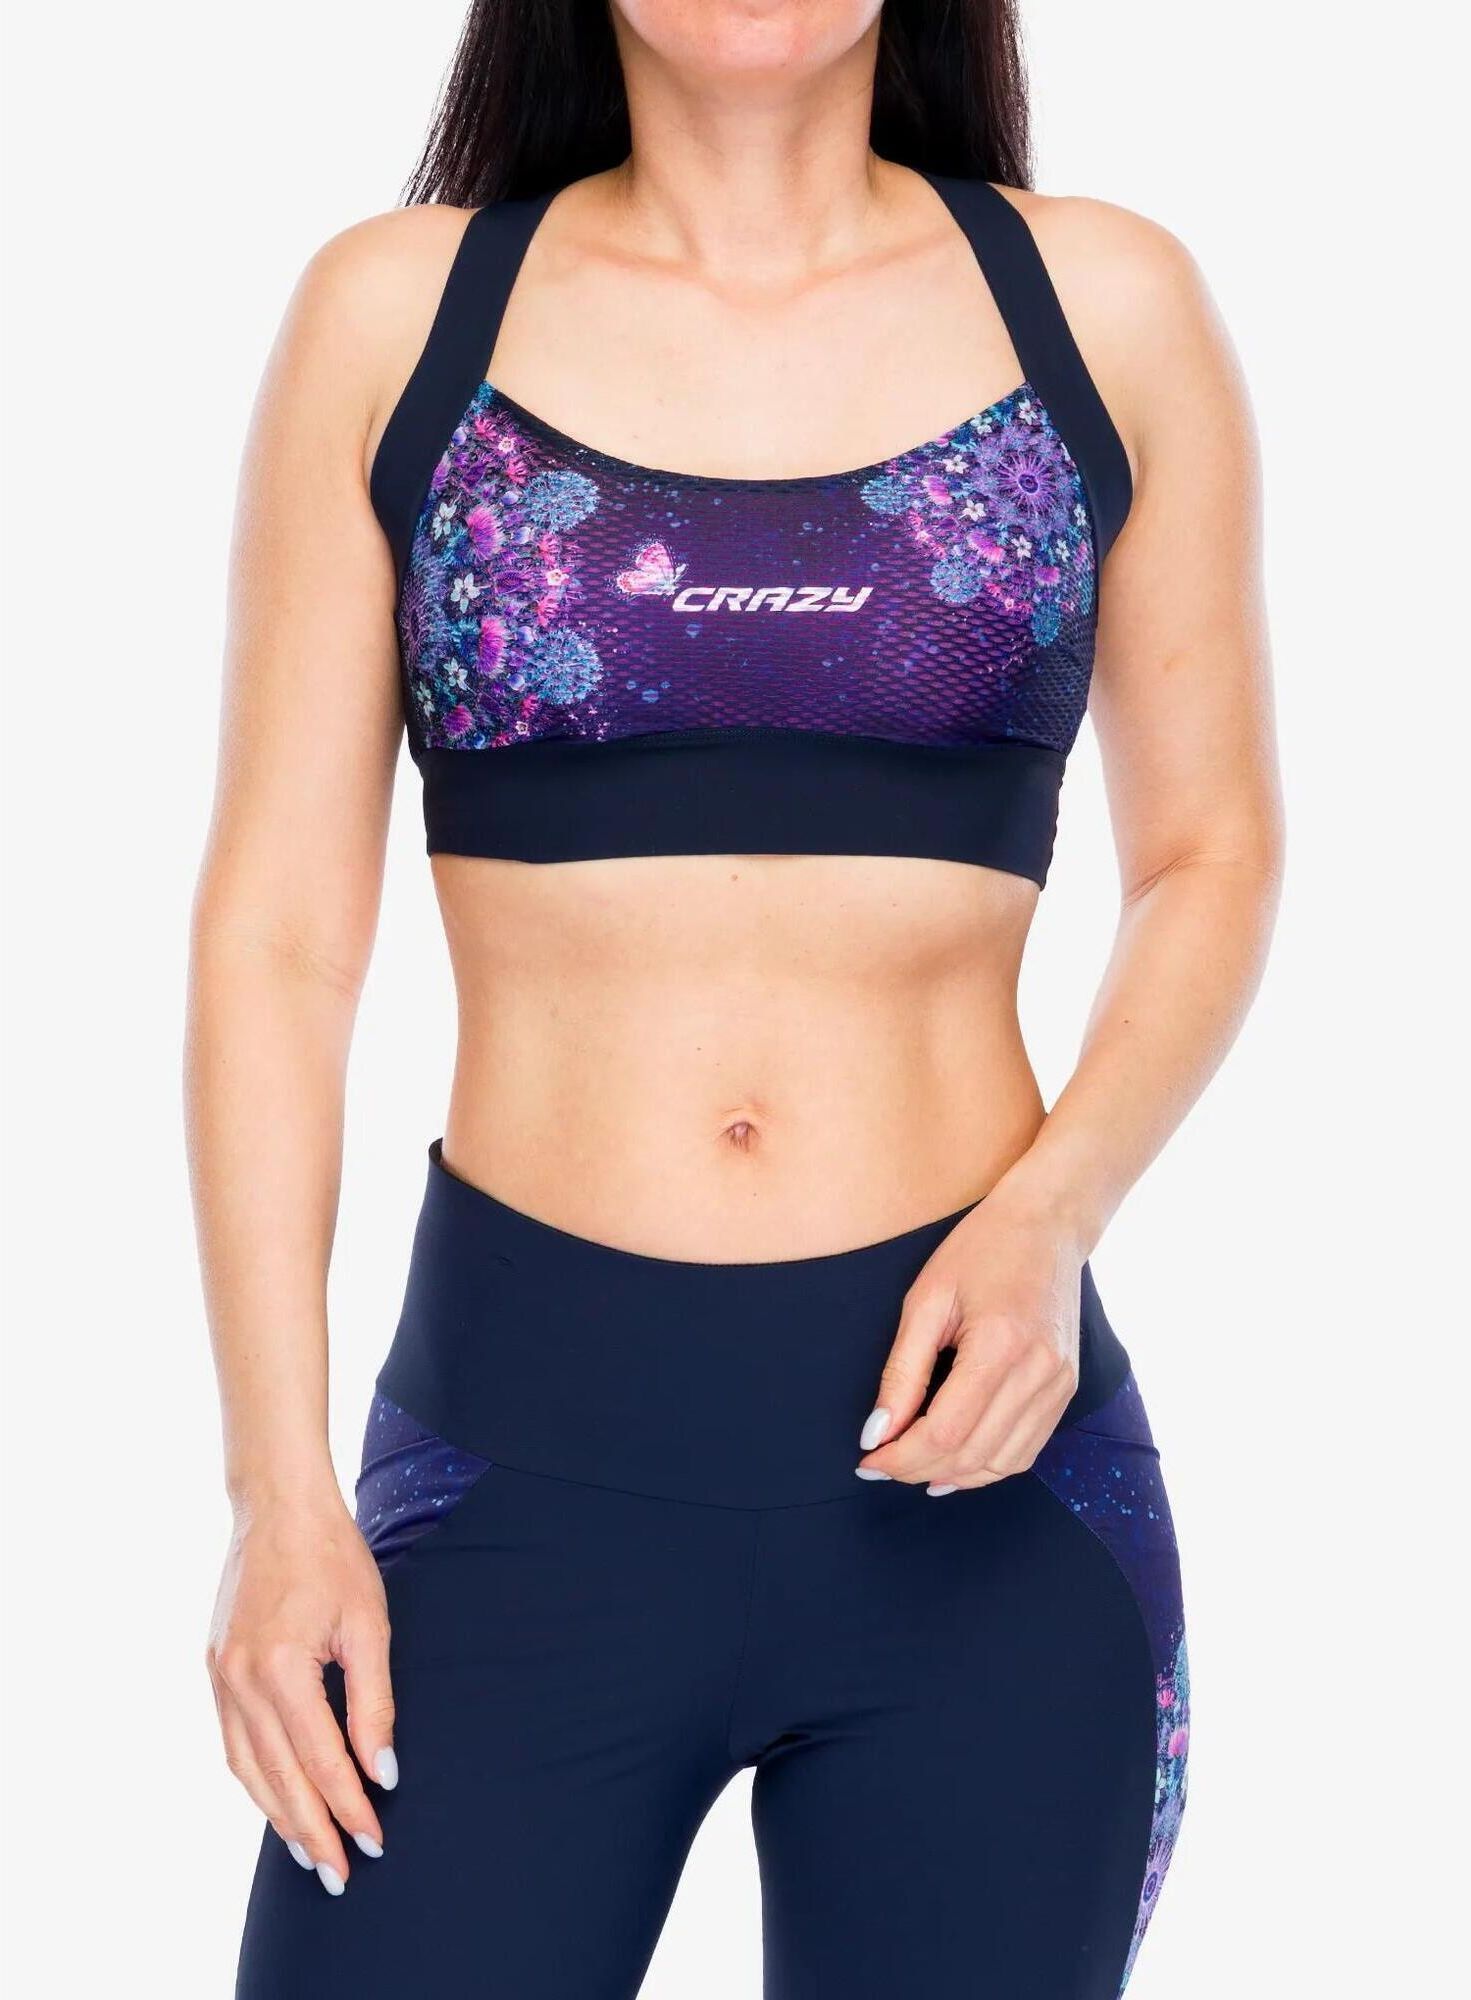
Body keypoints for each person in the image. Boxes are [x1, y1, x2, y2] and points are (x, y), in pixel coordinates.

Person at [189, 3, 1281, 1993]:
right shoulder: (396, 315)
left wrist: (1051, 1215)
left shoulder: (1105, 305)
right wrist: (277, 1500)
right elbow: (278, 939)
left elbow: (1210, 856)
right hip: (511, 1468)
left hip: (989, 1498)